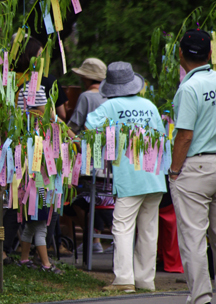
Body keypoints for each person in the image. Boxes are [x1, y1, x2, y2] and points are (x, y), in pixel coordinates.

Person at [85, 62, 166, 293]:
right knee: (149, 229)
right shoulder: (149, 106)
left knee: (122, 226)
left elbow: (90, 125)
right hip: (154, 175)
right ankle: (145, 281)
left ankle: (123, 280)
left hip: (130, 178)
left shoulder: (110, 106)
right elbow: (161, 137)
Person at [169, 29, 216, 304]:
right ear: (210, 53)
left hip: (197, 169)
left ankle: (200, 298)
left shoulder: (188, 87)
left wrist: (175, 171)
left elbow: (184, 135)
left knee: (194, 238)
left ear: (180, 54)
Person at [63, 58, 111, 254]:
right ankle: (97, 238)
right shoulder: (110, 96)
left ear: (85, 77)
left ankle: (93, 238)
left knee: (77, 199)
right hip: (108, 160)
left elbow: (73, 126)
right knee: (101, 198)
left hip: (88, 156)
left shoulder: (86, 97)